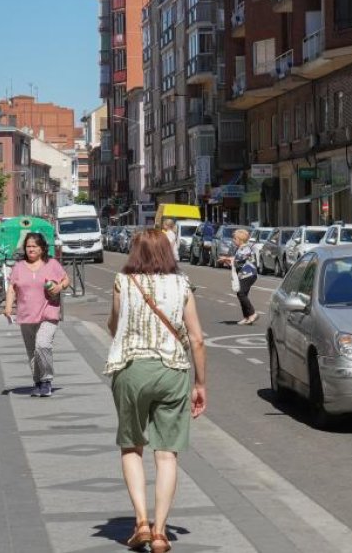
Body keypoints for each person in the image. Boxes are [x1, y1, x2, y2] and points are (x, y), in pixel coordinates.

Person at [105, 229, 207, 553]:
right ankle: (161, 532)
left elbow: (113, 324)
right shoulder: (182, 284)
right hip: (173, 370)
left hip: (132, 369)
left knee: (131, 446)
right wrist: (200, 384)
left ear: (135, 252)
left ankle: (141, 523)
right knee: (166, 454)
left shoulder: (123, 281)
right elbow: (197, 339)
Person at [2, 233, 69, 397]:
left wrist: (59, 287)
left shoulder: (51, 264)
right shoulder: (19, 267)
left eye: (34, 246)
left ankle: (47, 380)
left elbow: (66, 279)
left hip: (49, 312)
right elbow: (12, 288)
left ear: (42, 248)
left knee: (43, 345)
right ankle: (38, 381)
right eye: (28, 246)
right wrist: (8, 307)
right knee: (32, 351)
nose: (30, 249)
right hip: (26, 314)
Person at [220, 229, 259, 325]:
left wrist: (226, 258)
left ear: (240, 240)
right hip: (244, 275)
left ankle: (253, 313)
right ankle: (247, 317)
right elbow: (237, 263)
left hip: (249, 274)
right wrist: (226, 261)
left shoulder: (245, 248)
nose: (233, 240)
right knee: (241, 294)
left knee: (241, 293)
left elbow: (238, 259)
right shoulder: (240, 248)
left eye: (235, 238)